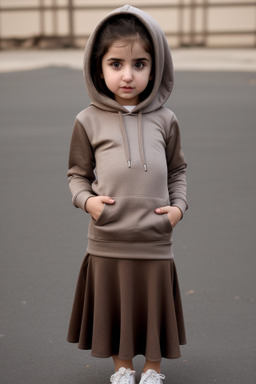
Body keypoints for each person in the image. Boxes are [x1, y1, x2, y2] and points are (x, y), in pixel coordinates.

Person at [67, 4, 188, 384]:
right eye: (116, 63)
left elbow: (179, 171)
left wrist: (178, 209)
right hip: (108, 237)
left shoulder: (166, 120)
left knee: (151, 301)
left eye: (140, 64)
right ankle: (122, 366)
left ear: (156, 67)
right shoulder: (87, 120)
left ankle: (153, 368)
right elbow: (77, 174)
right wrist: (87, 202)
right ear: (97, 67)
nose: (128, 75)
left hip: (154, 237)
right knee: (115, 301)